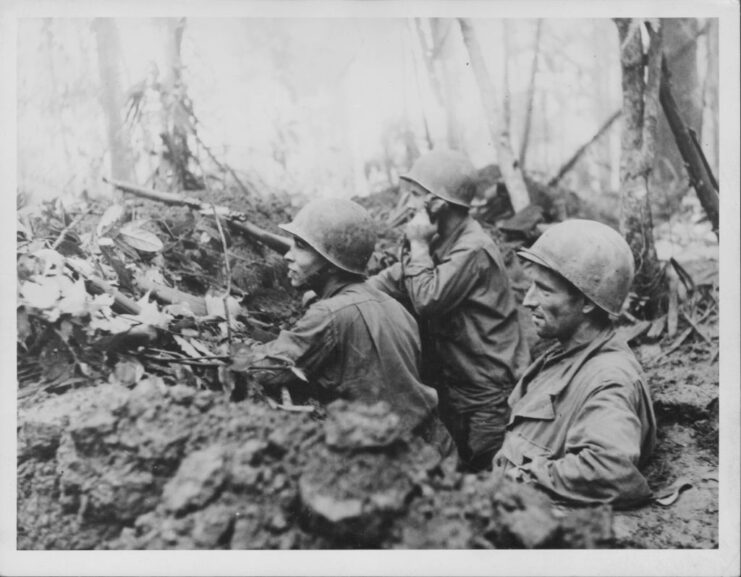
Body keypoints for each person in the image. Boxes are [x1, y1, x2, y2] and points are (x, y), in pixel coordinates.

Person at [368, 149, 530, 472]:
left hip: (488, 391)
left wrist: (417, 246)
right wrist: (350, 294)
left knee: (489, 474)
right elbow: (399, 278)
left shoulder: (473, 247)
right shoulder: (439, 237)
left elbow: (427, 299)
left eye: (415, 196)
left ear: (438, 203)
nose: (408, 205)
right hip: (455, 383)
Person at [230, 197, 438, 436]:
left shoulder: (329, 315)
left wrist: (230, 325)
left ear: (331, 263)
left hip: (393, 457)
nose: (288, 255)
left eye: (300, 245)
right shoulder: (394, 307)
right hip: (433, 448)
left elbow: (261, 369)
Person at [492, 219, 657, 508]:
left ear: (587, 302)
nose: (529, 300)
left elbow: (610, 471)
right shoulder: (566, 353)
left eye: (544, 290)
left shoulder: (608, 378)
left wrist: (520, 479)